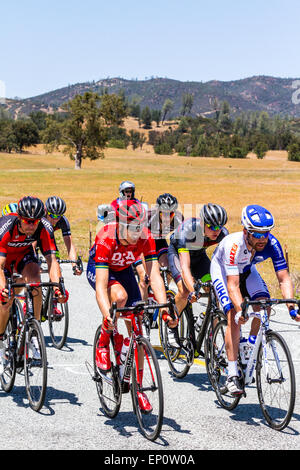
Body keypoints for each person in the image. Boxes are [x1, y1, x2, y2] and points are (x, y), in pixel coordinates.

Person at [86, 199, 176, 413]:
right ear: (119, 224)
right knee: (119, 297)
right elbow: (100, 286)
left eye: (140, 227)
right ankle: (103, 342)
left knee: (139, 329)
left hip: (124, 270)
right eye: (132, 228)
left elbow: (154, 274)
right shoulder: (106, 237)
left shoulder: (145, 236)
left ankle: (138, 388)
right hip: (102, 269)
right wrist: (107, 314)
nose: (137, 233)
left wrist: (164, 308)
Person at [210, 204, 300, 396]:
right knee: (234, 314)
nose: (263, 239)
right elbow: (233, 285)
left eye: (266, 233)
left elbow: (283, 278)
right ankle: (232, 375)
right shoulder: (234, 245)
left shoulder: (271, 244)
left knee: (264, 305)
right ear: (246, 232)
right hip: (223, 271)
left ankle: (250, 345)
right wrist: (241, 309)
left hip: (247, 270)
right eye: (257, 234)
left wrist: (292, 307)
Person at [0, 196, 68, 373]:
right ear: (19, 218)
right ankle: (1, 339)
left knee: (36, 281)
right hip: (3, 258)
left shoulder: (44, 228)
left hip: (23, 255)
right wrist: (3, 289)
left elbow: (52, 260)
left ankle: (34, 331)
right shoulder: (6, 226)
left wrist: (57, 287)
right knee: (5, 300)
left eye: (35, 222)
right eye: (27, 221)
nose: (31, 225)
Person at [168, 203, 228, 341]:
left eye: (220, 226)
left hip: (199, 258)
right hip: (178, 255)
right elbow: (185, 267)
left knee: (214, 289)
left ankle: (210, 340)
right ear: (202, 222)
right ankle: (172, 324)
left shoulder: (223, 235)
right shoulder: (187, 231)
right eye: (212, 227)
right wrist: (193, 290)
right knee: (184, 291)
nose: (216, 231)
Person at [134, 193, 183, 298]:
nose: (166, 217)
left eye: (170, 214)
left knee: (168, 267)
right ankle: (143, 310)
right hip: (141, 245)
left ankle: (162, 291)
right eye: (163, 214)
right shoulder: (147, 219)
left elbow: (182, 243)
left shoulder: (179, 220)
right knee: (144, 278)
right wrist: (149, 273)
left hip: (159, 242)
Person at [45, 196, 82, 275]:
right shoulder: (40, 218)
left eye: (58, 216)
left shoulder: (63, 221)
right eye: (52, 216)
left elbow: (70, 245)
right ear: (46, 212)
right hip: (36, 237)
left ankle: (54, 285)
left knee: (56, 261)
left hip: (49, 237)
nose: (55, 219)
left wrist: (74, 265)